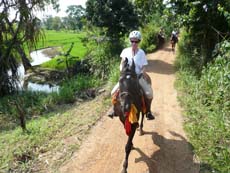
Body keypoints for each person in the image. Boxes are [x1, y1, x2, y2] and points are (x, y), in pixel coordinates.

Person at [108, 30, 155, 120]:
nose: (134, 43)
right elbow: (122, 63)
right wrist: (122, 71)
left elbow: (144, 66)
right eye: (132, 41)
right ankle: (114, 110)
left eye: (136, 41)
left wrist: (141, 73)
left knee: (149, 93)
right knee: (113, 92)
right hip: (126, 77)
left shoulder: (141, 53)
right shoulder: (125, 51)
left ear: (139, 41)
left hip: (137, 77)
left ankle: (148, 111)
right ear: (130, 41)